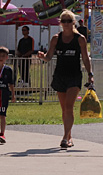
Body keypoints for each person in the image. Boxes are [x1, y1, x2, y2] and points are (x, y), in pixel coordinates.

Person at [37, 10, 93, 149]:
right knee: (64, 109)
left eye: (69, 21)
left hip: (74, 75)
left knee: (69, 106)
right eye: (64, 21)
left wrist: (90, 74)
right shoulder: (56, 38)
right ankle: (69, 136)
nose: (66, 24)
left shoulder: (80, 38)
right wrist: (42, 56)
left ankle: (64, 138)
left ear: (74, 22)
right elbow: (49, 56)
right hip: (60, 74)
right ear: (60, 23)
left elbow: (85, 58)